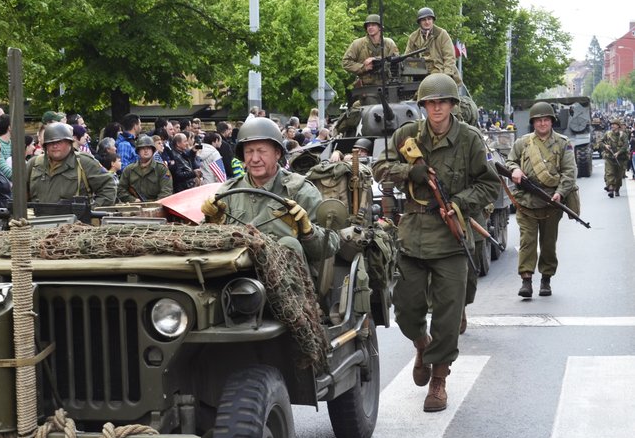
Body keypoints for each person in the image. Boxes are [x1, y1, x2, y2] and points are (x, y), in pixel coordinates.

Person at [372, 74, 499, 412]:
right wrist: (407, 173)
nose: (437, 107)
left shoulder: (469, 140)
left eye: (443, 101)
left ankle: (439, 379)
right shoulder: (407, 135)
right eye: (431, 102)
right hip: (413, 233)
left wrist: (459, 204)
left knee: (448, 315)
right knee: (406, 309)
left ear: (452, 105)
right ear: (424, 105)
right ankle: (420, 344)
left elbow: (490, 186)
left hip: (452, 237)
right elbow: (379, 167)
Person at [201, 117, 340, 268]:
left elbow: (331, 245)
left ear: (277, 154)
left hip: (291, 282)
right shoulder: (228, 192)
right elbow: (208, 246)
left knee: (289, 243)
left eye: (262, 151)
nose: (254, 159)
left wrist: (308, 231)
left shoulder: (301, 190)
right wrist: (212, 222)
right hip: (235, 280)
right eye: (249, 152)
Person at [505, 101, 578, 299]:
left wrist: (561, 193)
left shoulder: (563, 144)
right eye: (538, 120)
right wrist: (515, 169)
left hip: (551, 201)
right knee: (527, 241)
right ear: (533, 123)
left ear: (552, 121)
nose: (542, 124)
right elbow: (509, 160)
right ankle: (526, 280)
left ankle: (546, 278)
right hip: (526, 201)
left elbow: (569, 172)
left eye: (546, 120)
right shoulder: (523, 142)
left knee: (548, 243)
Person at [26, 123, 117, 208]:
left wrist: (91, 210)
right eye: (51, 143)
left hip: (74, 222)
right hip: (38, 220)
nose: (55, 146)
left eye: (59, 142)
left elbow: (108, 187)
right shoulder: (34, 164)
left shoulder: (84, 163)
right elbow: (20, 195)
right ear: (45, 146)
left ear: (69, 143)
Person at [406, 7, 461, 85]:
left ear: (433, 20)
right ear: (419, 22)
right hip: (420, 73)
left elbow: (449, 57)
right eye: (424, 20)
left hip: (439, 70)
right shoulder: (413, 37)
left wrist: (447, 76)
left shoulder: (441, 34)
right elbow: (407, 58)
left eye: (429, 19)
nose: (427, 22)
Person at [342, 14, 400, 85]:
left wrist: (376, 59)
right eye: (368, 26)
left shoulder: (389, 43)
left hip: (386, 84)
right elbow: (345, 62)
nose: (370, 27)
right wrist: (363, 67)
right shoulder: (358, 44)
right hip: (365, 86)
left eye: (373, 25)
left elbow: (396, 61)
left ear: (380, 27)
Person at [118, 136, 173, 202]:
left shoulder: (161, 169)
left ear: (153, 151)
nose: (146, 151)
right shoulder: (129, 170)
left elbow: (167, 190)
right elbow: (121, 190)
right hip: (135, 206)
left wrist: (155, 204)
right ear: (138, 151)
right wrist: (133, 200)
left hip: (156, 206)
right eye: (142, 148)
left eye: (148, 148)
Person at [600, 118, 629, 197]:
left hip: (620, 158)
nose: (612, 126)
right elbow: (601, 142)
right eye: (611, 124)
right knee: (609, 173)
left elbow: (625, 145)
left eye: (614, 124)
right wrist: (605, 145)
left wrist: (618, 153)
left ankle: (617, 189)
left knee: (619, 176)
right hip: (609, 157)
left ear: (618, 126)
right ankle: (611, 189)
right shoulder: (608, 134)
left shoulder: (623, 135)